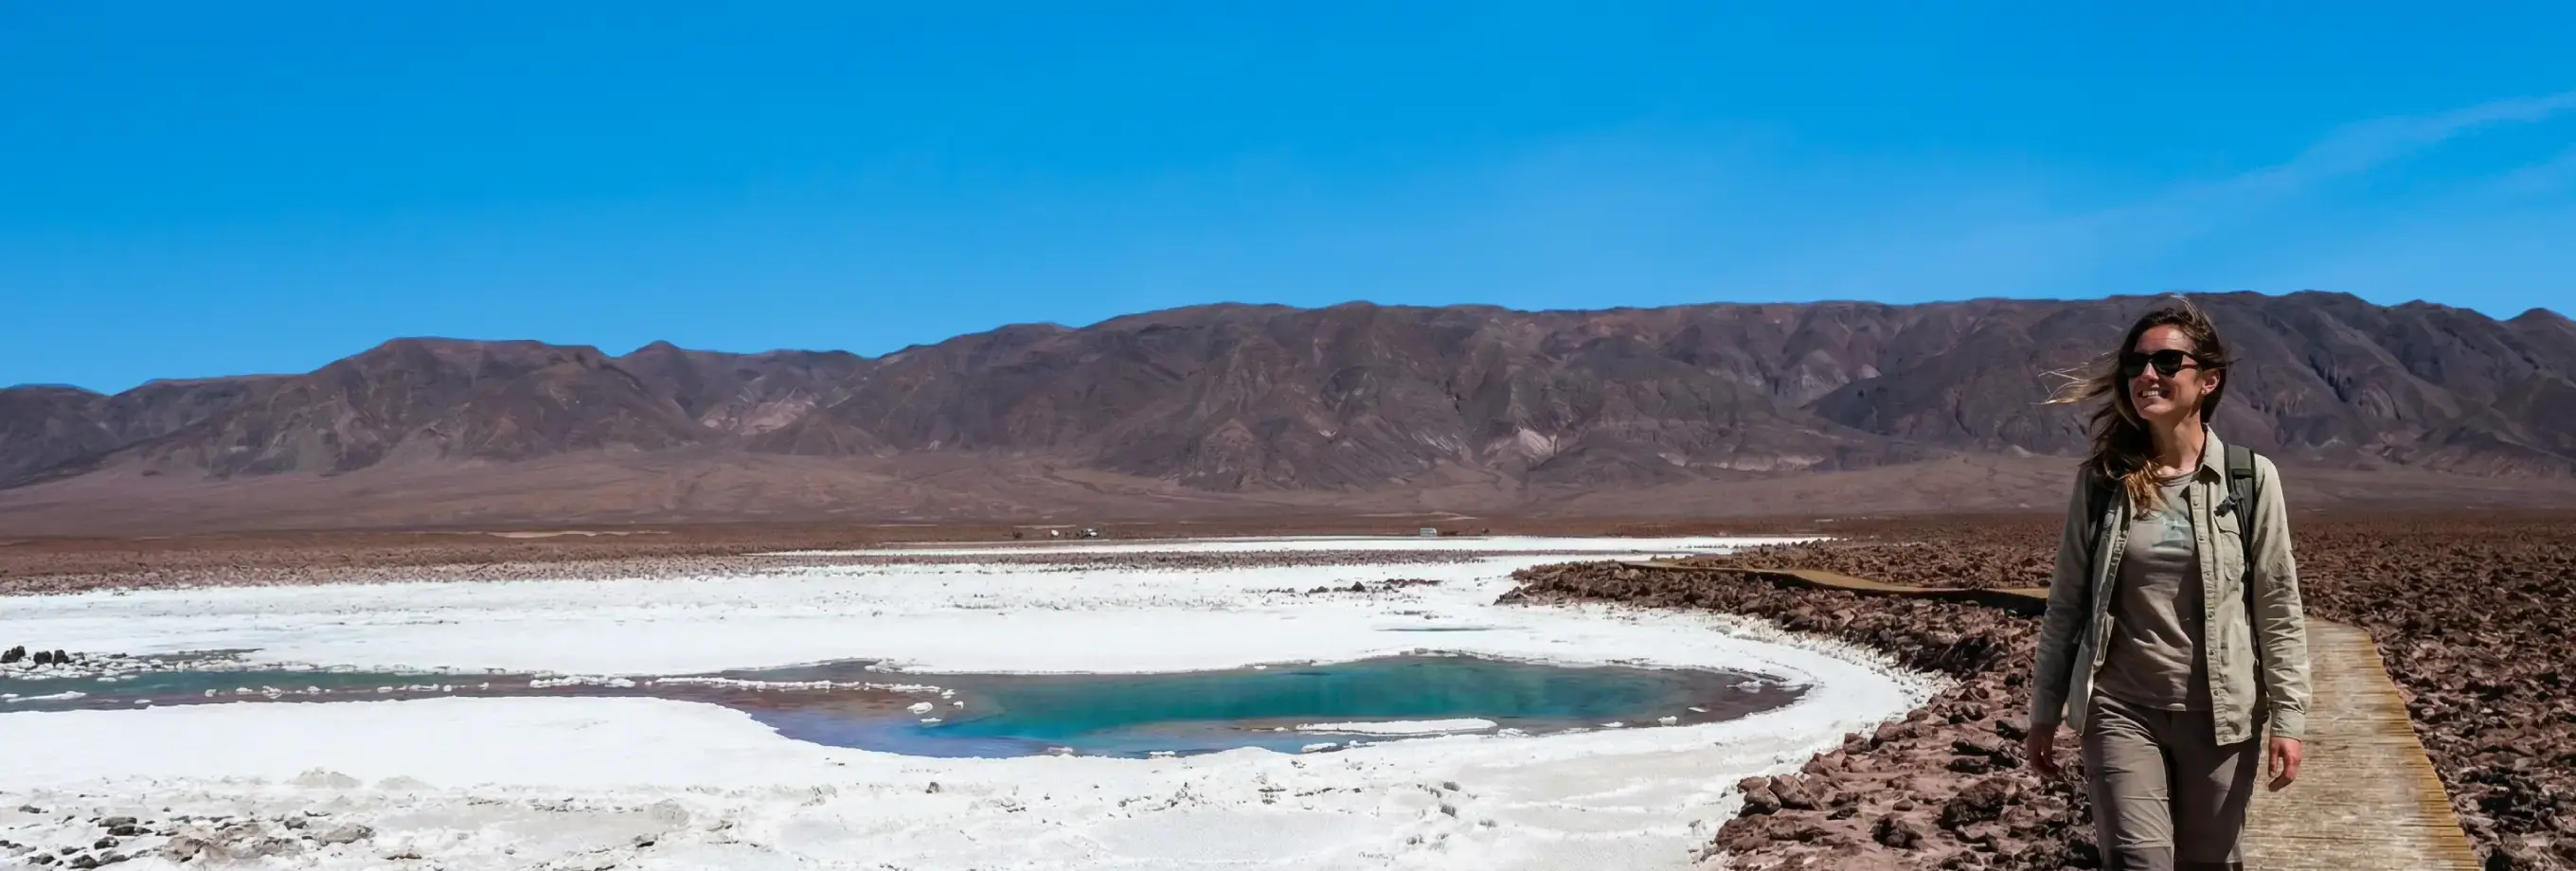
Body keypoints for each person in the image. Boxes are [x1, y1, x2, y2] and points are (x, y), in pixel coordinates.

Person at [2025, 296, 2313, 871]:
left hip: (2221, 714)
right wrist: (2044, 710)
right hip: (2120, 708)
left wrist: (2290, 718)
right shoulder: (2104, 482)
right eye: (2135, 365)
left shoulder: (2250, 480)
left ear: (2208, 379)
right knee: (2140, 862)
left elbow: (2277, 606)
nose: (2146, 376)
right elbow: (2067, 604)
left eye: (2165, 363)